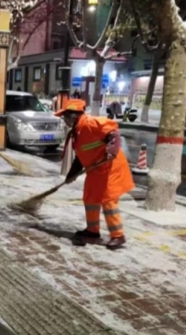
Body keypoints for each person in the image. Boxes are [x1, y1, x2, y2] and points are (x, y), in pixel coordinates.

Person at [55, 99, 134, 250]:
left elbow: (114, 133)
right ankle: (92, 231)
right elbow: (81, 155)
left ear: (73, 115)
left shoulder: (90, 123)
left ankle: (118, 236)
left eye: (65, 116)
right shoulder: (78, 131)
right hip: (95, 169)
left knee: (108, 200)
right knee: (90, 197)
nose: (64, 119)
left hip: (110, 168)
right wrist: (72, 174)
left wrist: (111, 150)